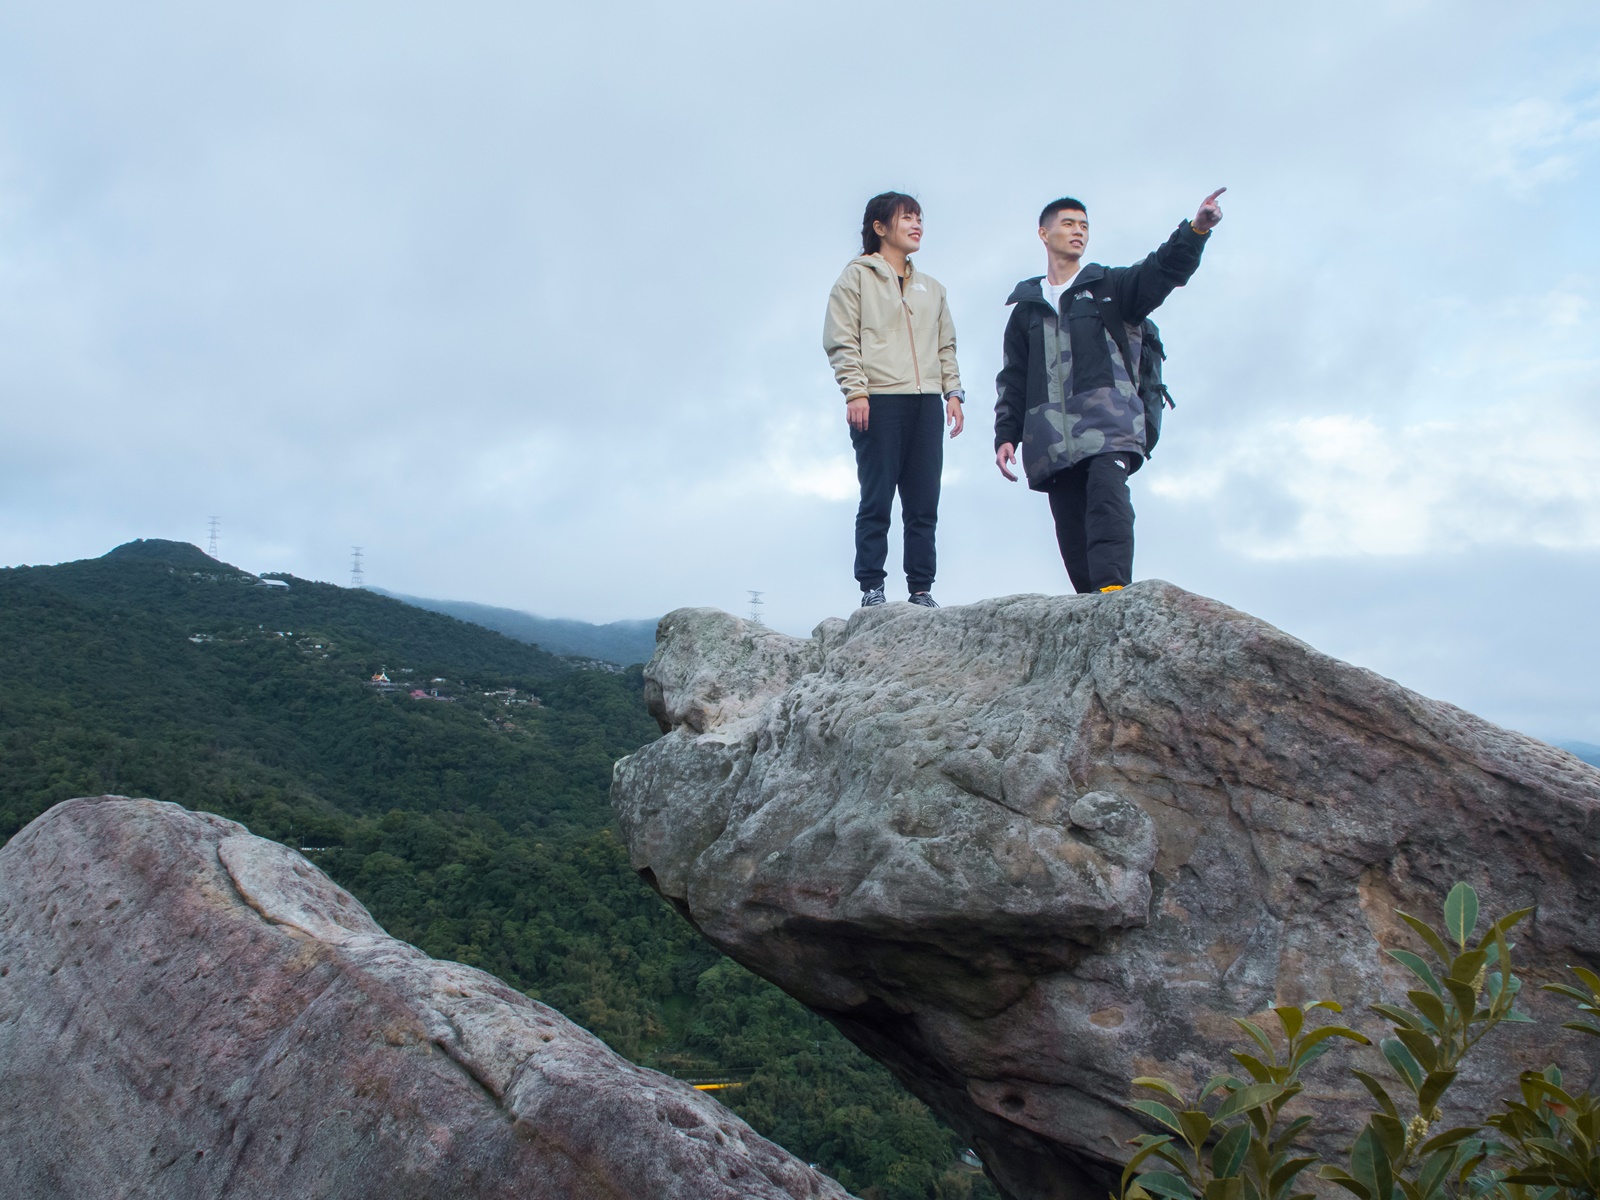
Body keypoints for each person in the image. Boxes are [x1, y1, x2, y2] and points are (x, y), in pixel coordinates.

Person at [993, 189, 1225, 594]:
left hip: (1109, 426)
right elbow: (1014, 378)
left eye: (1084, 225)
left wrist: (1196, 231)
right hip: (1050, 440)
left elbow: (1162, 270)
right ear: (1044, 234)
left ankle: (1114, 591)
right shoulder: (1026, 311)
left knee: (1108, 503)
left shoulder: (1110, 287)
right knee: (1070, 528)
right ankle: (1091, 607)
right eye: (1068, 224)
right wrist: (1006, 435)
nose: (1078, 231)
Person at [824, 192, 964, 608]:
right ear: (880, 227)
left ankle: (921, 589)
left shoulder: (933, 289)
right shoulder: (856, 278)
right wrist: (856, 391)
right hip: (877, 401)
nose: (917, 225)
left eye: (919, 218)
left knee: (924, 502)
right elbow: (841, 339)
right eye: (907, 218)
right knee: (877, 498)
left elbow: (946, 346)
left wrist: (953, 393)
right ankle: (872, 587)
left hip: (927, 405)